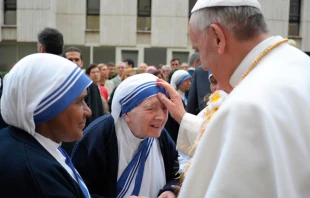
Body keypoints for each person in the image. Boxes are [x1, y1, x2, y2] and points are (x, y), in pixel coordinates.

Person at [156, 0, 310, 197]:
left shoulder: (246, 105)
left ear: (218, 38)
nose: (202, 65)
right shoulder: (301, 64)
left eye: (199, 48)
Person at [0, 53, 94, 197]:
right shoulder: (37, 174)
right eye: (79, 102)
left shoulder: (29, 144)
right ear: (45, 107)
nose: (88, 111)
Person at [72, 73, 180, 198]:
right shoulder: (99, 136)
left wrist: (170, 190)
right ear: (127, 113)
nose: (161, 117)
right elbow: (78, 191)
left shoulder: (160, 135)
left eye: (164, 108)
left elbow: (176, 173)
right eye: (151, 108)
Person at [63, 47, 104, 154]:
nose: (73, 62)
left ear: (81, 62)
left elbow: (95, 115)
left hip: (84, 141)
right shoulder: (58, 85)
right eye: (70, 59)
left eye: (76, 59)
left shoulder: (90, 85)